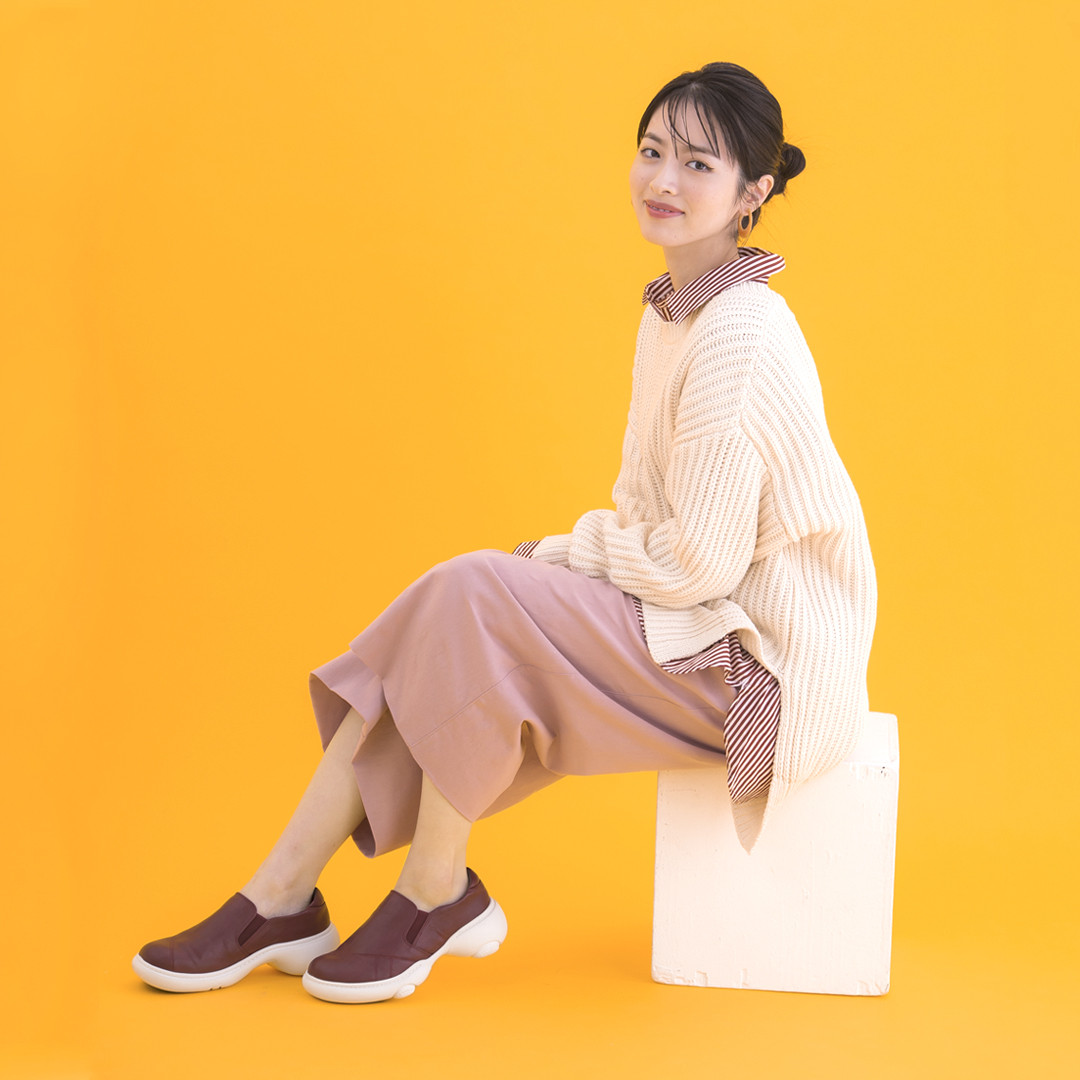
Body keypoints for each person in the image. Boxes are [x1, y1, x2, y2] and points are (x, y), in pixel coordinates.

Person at [132, 61, 877, 1005]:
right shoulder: (673, 316)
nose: (663, 180)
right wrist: (576, 558)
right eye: (652, 151)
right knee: (454, 610)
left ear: (752, 194)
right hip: (695, 625)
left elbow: (698, 561)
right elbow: (651, 521)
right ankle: (289, 894)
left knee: (479, 592)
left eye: (698, 164)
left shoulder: (740, 332)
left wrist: (563, 553)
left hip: (759, 667)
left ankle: (417, 892)